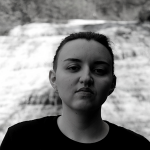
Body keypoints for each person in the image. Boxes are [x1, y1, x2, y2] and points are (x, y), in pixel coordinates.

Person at [0, 32, 149, 149]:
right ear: (53, 79)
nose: (86, 78)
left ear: (112, 84)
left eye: (99, 70)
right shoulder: (20, 139)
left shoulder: (138, 147)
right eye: (73, 68)